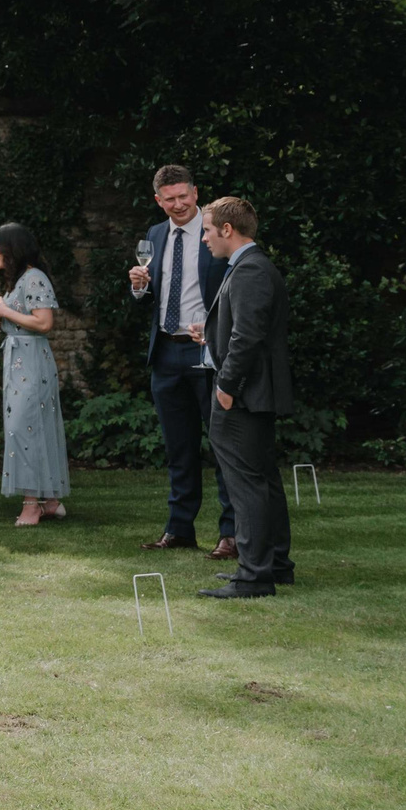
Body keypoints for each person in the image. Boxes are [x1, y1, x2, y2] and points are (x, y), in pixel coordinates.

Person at [128, 164, 237, 559]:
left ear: (196, 191)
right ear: (159, 201)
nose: (178, 204)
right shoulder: (155, 235)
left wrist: (217, 333)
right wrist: (140, 288)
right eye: (169, 199)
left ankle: (231, 533)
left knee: (222, 442)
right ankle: (179, 529)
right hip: (166, 352)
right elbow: (155, 293)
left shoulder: (217, 232)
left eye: (184, 196)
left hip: (207, 350)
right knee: (179, 448)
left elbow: (236, 288)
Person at [197, 198, 295, 599]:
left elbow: (248, 336)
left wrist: (226, 387)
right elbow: (241, 329)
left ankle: (254, 576)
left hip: (244, 394)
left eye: (207, 230)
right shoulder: (251, 267)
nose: (204, 238)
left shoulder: (250, 269)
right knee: (263, 479)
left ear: (226, 229)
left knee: (248, 484)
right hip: (252, 392)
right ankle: (274, 564)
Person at [0, 224, 69, 526]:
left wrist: (3, 311)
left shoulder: (34, 278)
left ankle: (32, 504)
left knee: (25, 428)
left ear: (11, 248)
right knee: (31, 426)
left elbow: (44, 323)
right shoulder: (21, 279)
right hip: (19, 357)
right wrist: (0, 311)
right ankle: (51, 501)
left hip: (32, 360)